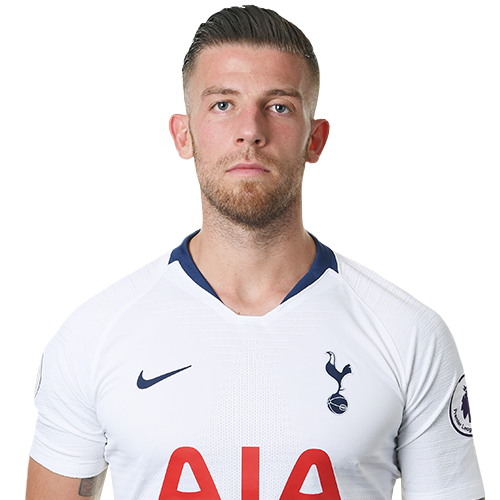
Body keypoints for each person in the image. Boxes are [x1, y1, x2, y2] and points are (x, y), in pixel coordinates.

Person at [24, 5, 486, 500]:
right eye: (223, 104)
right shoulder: (93, 331)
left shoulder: (409, 333)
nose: (251, 130)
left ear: (315, 138)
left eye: (279, 106)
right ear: (183, 133)